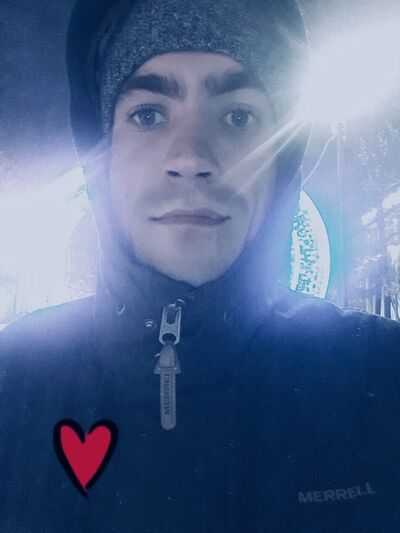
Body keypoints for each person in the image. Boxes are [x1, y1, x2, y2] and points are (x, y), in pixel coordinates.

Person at [0, 0, 400, 531]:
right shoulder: (13, 383)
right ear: (103, 154)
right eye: (148, 114)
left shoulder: (382, 381)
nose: (190, 157)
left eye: (238, 116)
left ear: (280, 162)